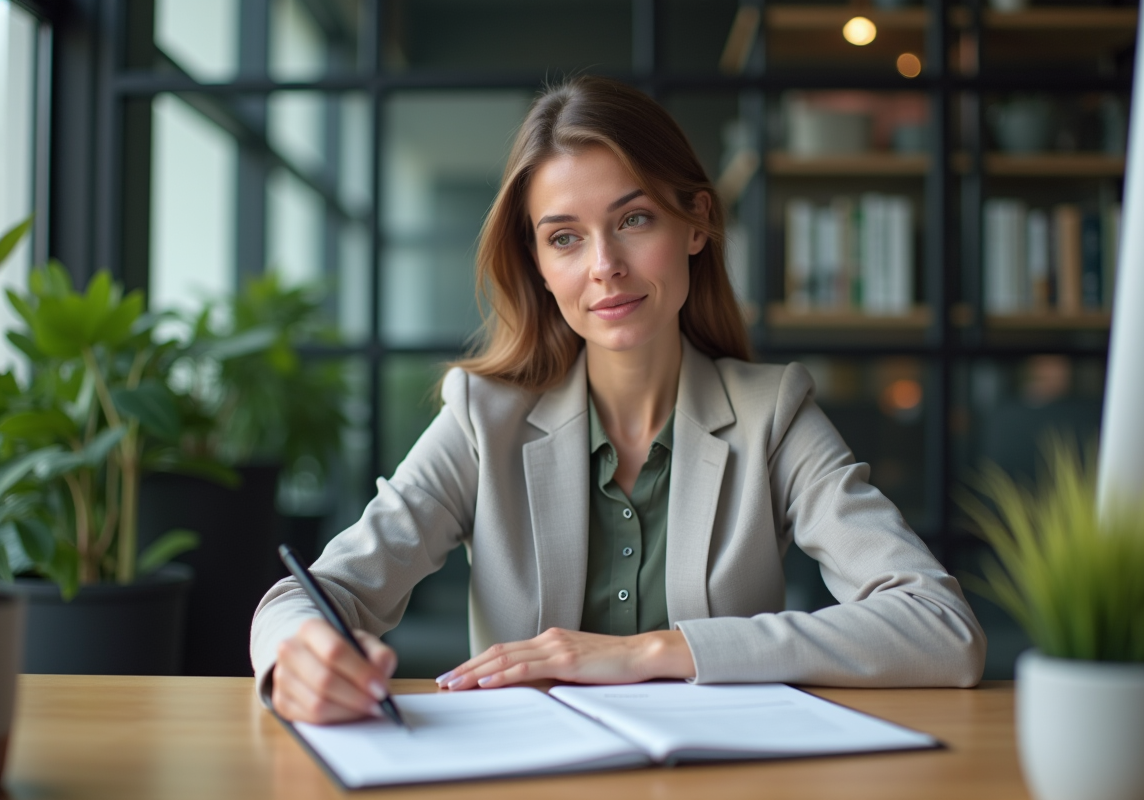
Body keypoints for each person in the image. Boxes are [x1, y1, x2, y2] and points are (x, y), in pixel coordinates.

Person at [251, 76, 986, 724]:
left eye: (634, 220)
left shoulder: (774, 415)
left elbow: (940, 627)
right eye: (565, 238)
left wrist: (654, 652)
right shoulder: (484, 419)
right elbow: (315, 595)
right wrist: (300, 657)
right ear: (538, 265)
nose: (604, 266)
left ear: (695, 222)